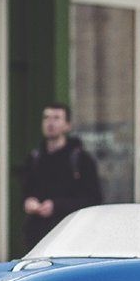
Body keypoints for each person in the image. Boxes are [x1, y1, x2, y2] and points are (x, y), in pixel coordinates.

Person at [21, 102, 102, 249]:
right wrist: (29, 202)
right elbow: (26, 190)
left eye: (56, 118)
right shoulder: (35, 158)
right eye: (46, 118)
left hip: (69, 234)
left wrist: (56, 206)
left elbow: (93, 199)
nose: (50, 123)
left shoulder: (81, 160)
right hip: (37, 236)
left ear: (67, 125)